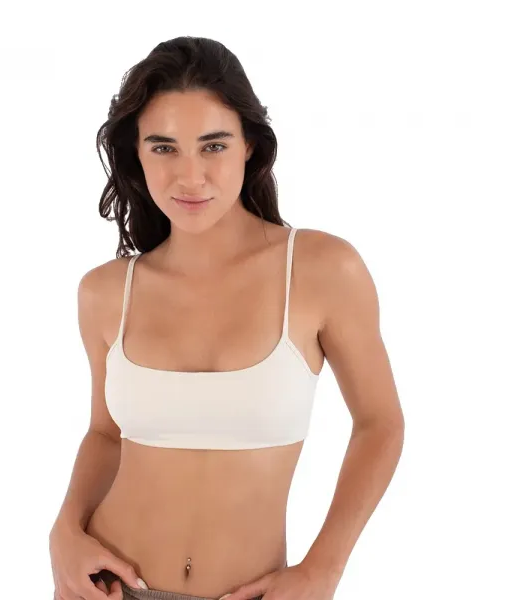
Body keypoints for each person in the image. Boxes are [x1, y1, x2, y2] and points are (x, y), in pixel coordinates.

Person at [49, 36, 404, 600]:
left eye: (213, 146)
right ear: (137, 154)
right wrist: (64, 532)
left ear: (250, 147)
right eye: (164, 148)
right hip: (109, 587)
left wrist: (323, 568)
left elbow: (380, 424)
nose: (190, 177)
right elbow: (105, 434)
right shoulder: (105, 292)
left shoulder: (321, 269)